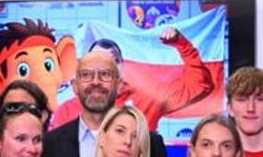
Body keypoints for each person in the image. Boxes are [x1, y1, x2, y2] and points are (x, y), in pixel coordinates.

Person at [37, 48, 172, 157]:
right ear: (75, 87)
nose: (96, 82)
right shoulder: (48, 146)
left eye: (105, 74)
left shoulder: (151, 144)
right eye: (86, 75)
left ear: (119, 85)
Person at [50, 28, 216, 132]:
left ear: (122, 66)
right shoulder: (66, 111)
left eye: (113, 62)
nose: (106, 70)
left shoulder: (150, 97)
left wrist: (183, 45)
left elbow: (200, 86)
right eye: (99, 62)